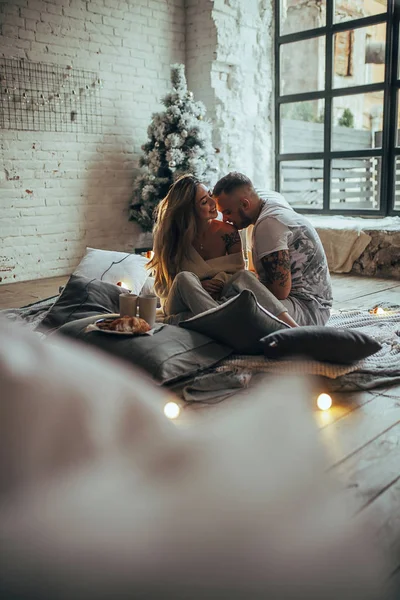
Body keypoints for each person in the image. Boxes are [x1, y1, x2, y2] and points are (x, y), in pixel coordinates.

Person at [147, 174, 298, 327]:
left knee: (244, 276)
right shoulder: (170, 238)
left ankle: (293, 329)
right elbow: (161, 287)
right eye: (204, 202)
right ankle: (221, 325)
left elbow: (236, 273)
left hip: (216, 301)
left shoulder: (229, 233)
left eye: (210, 195)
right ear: (189, 211)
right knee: (184, 278)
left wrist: (220, 279)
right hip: (181, 303)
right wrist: (197, 285)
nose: (214, 203)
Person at [213, 172, 332, 326]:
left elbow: (280, 292)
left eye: (227, 212)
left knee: (240, 281)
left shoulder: (268, 225)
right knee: (237, 290)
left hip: (306, 311)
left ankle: (299, 336)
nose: (225, 219)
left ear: (245, 204)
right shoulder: (270, 204)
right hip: (317, 307)